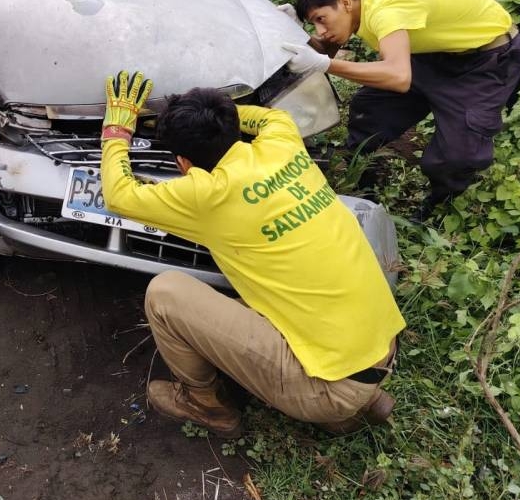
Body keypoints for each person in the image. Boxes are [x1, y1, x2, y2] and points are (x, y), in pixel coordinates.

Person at [99, 72, 405, 436]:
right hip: (382, 348)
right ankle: (357, 400)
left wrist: (117, 128)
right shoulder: (283, 141)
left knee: (165, 294)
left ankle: (206, 405)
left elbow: (117, 194)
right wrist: (216, 114)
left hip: (330, 385)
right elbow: (271, 117)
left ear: (184, 164)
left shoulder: (206, 194)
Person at [284, 0, 520, 220]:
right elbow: (328, 48)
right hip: (434, 50)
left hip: (485, 60)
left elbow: (399, 78)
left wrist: (324, 64)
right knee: (369, 110)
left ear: (345, 3)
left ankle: (438, 208)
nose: (321, 30)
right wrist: (294, 33)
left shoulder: (387, 9)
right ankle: (364, 183)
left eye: (321, 20)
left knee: (457, 155)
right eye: (313, 23)